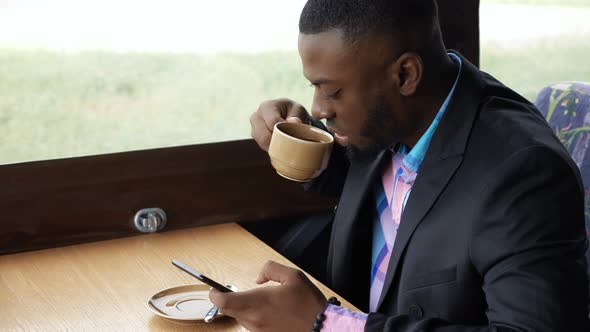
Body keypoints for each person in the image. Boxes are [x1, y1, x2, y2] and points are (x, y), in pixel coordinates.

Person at [210, 0, 590, 331]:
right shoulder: (394, 115)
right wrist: (304, 141)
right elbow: (386, 189)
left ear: (406, 74)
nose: (321, 109)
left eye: (333, 91)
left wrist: (325, 323)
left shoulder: (524, 172)